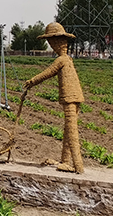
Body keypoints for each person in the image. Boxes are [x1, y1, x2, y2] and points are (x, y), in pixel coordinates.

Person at [24, 22, 84, 173]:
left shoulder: (61, 60)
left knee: (72, 131)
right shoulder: (68, 59)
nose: (52, 45)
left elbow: (47, 73)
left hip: (70, 97)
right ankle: (65, 161)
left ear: (57, 43)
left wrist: (32, 81)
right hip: (76, 96)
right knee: (68, 130)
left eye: (52, 42)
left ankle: (78, 166)